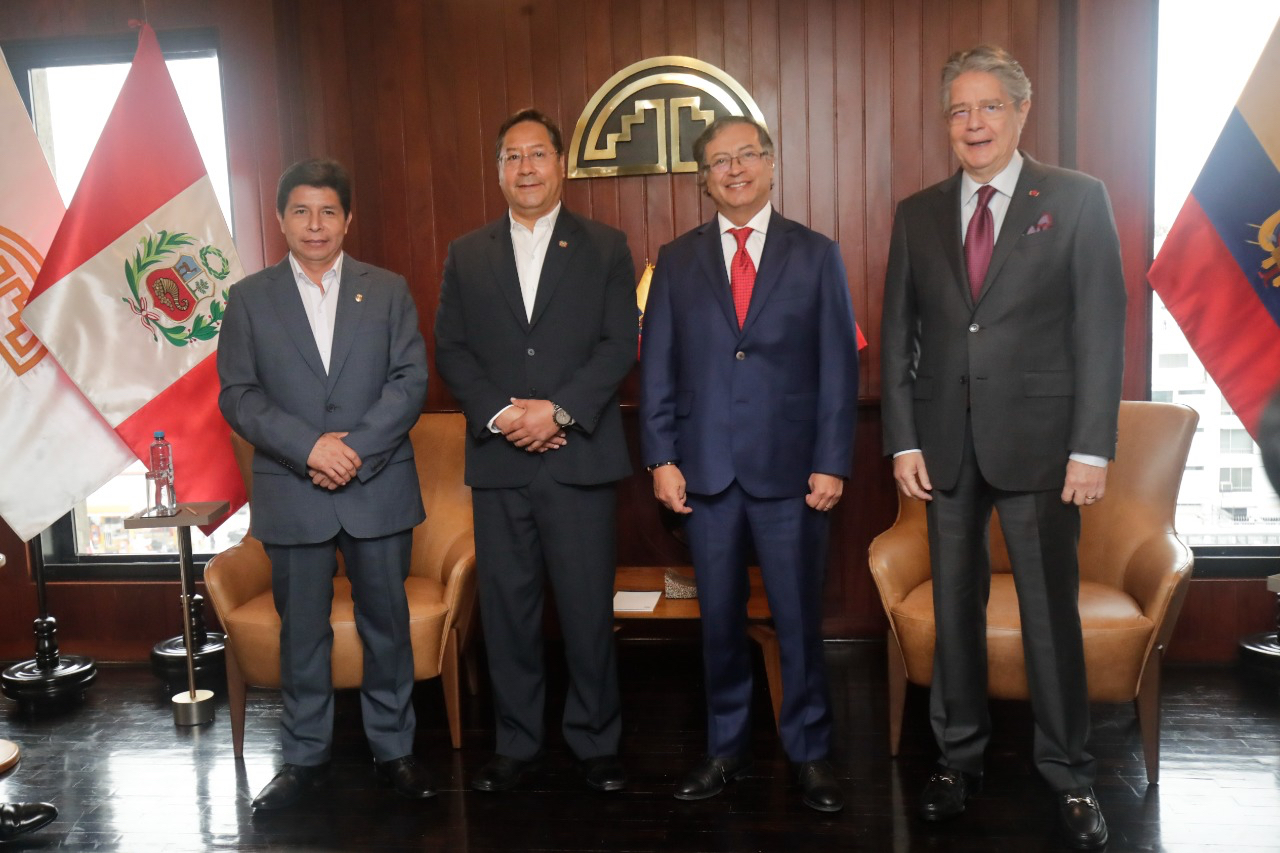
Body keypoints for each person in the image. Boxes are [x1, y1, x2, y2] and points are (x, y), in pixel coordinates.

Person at [880, 45, 1126, 850]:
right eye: (959, 109)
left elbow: (1100, 329)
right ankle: (958, 759)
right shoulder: (917, 213)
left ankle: (1069, 770)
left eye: (989, 107)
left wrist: (1092, 447)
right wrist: (902, 439)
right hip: (944, 446)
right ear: (947, 122)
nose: (974, 123)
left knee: (1049, 612)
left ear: (1023, 113)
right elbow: (898, 334)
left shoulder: (1079, 199)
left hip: (1045, 446)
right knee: (955, 608)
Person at [639, 115, 860, 813]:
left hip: (793, 475)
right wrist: (661, 457)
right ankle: (726, 749)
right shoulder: (674, 260)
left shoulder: (817, 254)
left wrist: (832, 461)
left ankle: (810, 752)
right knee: (720, 622)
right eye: (717, 162)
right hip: (703, 474)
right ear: (703, 177)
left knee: (797, 619)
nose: (733, 170)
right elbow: (658, 370)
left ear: (770, 164)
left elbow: (837, 369)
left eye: (745, 156)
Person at [217, 159, 433, 810]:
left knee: (386, 625)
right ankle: (303, 758)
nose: (316, 224)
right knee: (301, 631)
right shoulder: (249, 298)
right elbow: (239, 395)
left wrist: (354, 449)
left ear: (348, 220)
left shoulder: (388, 289)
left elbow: (410, 382)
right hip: (293, 486)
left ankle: (394, 751)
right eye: (302, 211)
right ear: (281, 220)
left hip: (377, 484)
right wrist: (308, 447)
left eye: (329, 211)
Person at [434, 109, 636, 794]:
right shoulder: (466, 253)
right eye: (512, 157)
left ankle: (596, 740)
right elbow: (452, 349)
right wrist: (501, 415)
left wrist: (558, 410)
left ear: (561, 164)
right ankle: (516, 742)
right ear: (498, 171)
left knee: (586, 609)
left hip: (577, 457)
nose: (526, 168)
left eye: (538, 154)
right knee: (508, 609)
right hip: (500, 461)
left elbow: (618, 344)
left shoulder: (606, 247)